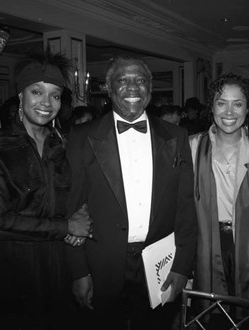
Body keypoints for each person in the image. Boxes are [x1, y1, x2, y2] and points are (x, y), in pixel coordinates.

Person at [66, 55, 197, 330]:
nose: (133, 88)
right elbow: (71, 209)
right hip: (101, 262)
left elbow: (185, 207)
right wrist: (79, 271)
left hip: (159, 262)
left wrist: (182, 266)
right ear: (109, 88)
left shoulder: (177, 136)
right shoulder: (81, 137)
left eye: (140, 80)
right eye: (122, 81)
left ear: (150, 88)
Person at [0, 50, 92, 329]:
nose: (46, 103)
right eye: (37, 92)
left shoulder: (64, 144)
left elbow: (78, 193)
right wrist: (66, 227)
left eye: (55, 95)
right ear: (20, 97)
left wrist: (82, 215)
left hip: (58, 263)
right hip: (12, 263)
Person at [189, 74, 249, 325]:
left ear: (248, 108)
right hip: (205, 243)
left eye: (237, 104)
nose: (229, 111)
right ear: (212, 107)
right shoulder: (192, 147)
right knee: (212, 317)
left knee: (247, 317)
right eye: (221, 103)